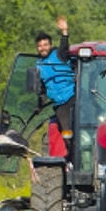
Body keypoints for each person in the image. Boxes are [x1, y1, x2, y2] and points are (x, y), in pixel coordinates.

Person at [35, 16, 75, 157]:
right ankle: (70, 159)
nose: (43, 48)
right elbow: (41, 89)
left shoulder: (58, 54)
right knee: (66, 133)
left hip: (72, 96)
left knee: (78, 128)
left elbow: (64, 45)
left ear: (50, 45)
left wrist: (64, 31)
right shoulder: (38, 65)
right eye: (40, 46)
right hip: (60, 104)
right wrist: (39, 106)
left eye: (45, 45)